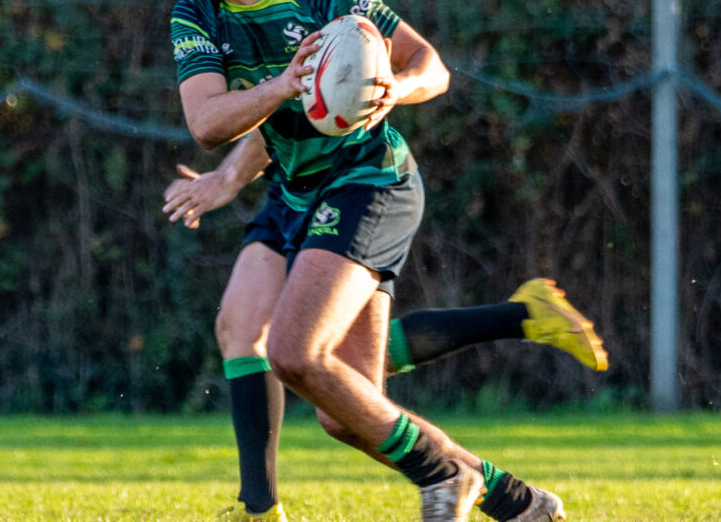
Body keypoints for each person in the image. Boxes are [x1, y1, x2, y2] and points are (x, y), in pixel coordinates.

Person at [153, 0, 604, 519]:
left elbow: (430, 65)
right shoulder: (195, 16)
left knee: (292, 353)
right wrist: (278, 97)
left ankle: (433, 475)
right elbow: (206, 122)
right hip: (299, 192)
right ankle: (515, 499)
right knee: (347, 411)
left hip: (372, 183)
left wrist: (395, 85)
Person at [163, 134, 607, 522]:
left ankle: (518, 330)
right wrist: (225, 175)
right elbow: (258, 111)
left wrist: (227, 175)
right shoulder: (219, 37)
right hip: (289, 191)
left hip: (353, 186)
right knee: (244, 329)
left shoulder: (334, 36)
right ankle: (259, 507)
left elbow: (424, 67)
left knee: (335, 392)